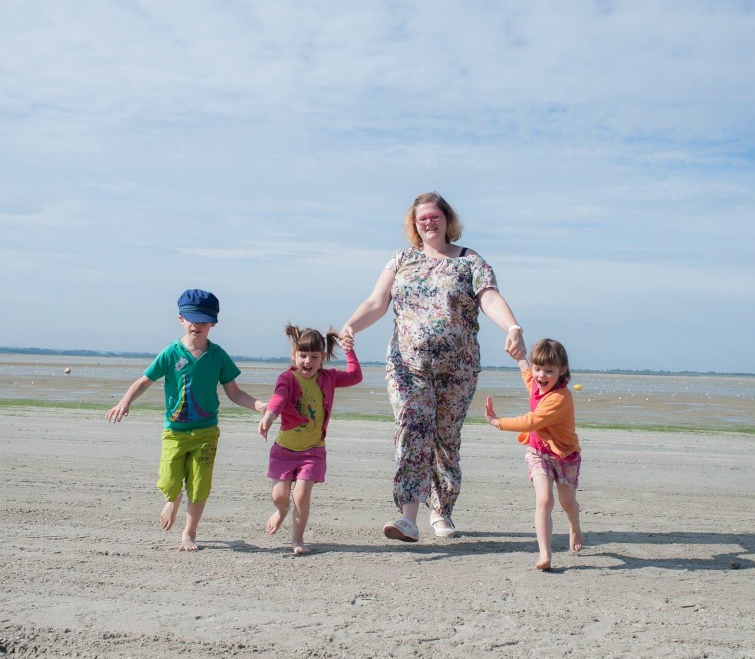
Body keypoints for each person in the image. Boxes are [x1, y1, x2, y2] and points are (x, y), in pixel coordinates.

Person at [341, 191, 526, 542]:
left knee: (445, 438)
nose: (428, 221)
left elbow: (489, 297)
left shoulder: (470, 261)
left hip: (458, 367)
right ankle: (407, 516)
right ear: (414, 223)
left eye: (434, 215)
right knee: (413, 429)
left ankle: (441, 512)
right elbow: (376, 302)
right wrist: (351, 325)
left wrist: (512, 327)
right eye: (421, 217)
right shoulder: (402, 259)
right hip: (407, 364)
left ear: (446, 219)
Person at [106, 288, 266, 552]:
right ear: (181, 318)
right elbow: (145, 381)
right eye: (191, 318)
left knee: (199, 485)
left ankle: (189, 533)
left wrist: (259, 405)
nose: (197, 324)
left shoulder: (218, 356)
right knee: (168, 481)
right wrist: (124, 402)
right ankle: (173, 498)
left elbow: (234, 392)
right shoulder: (171, 353)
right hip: (175, 433)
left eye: (203, 319)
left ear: (212, 322)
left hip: (206, 433)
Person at [257, 324, 362, 555]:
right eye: (303, 355)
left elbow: (356, 376)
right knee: (280, 496)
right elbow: (279, 397)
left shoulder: (328, 378)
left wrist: (349, 350)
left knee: (301, 495)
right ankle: (281, 511)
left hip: (313, 451)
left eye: (314, 357)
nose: (308, 361)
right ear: (294, 355)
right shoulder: (287, 378)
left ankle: (297, 539)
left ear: (322, 358)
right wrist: (269, 416)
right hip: (284, 450)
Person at [483, 338, 583, 571]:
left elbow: (532, 421)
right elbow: (528, 377)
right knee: (544, 499)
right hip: (538, 452)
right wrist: (520, 358)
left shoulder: (560, 398)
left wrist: (497, 422)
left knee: (567, 503)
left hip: (565, 454)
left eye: (549, 371)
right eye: (539, 369)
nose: (541, 375)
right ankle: (545, 554)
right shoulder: (537, 384)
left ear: (562, 371)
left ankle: (575, 527)